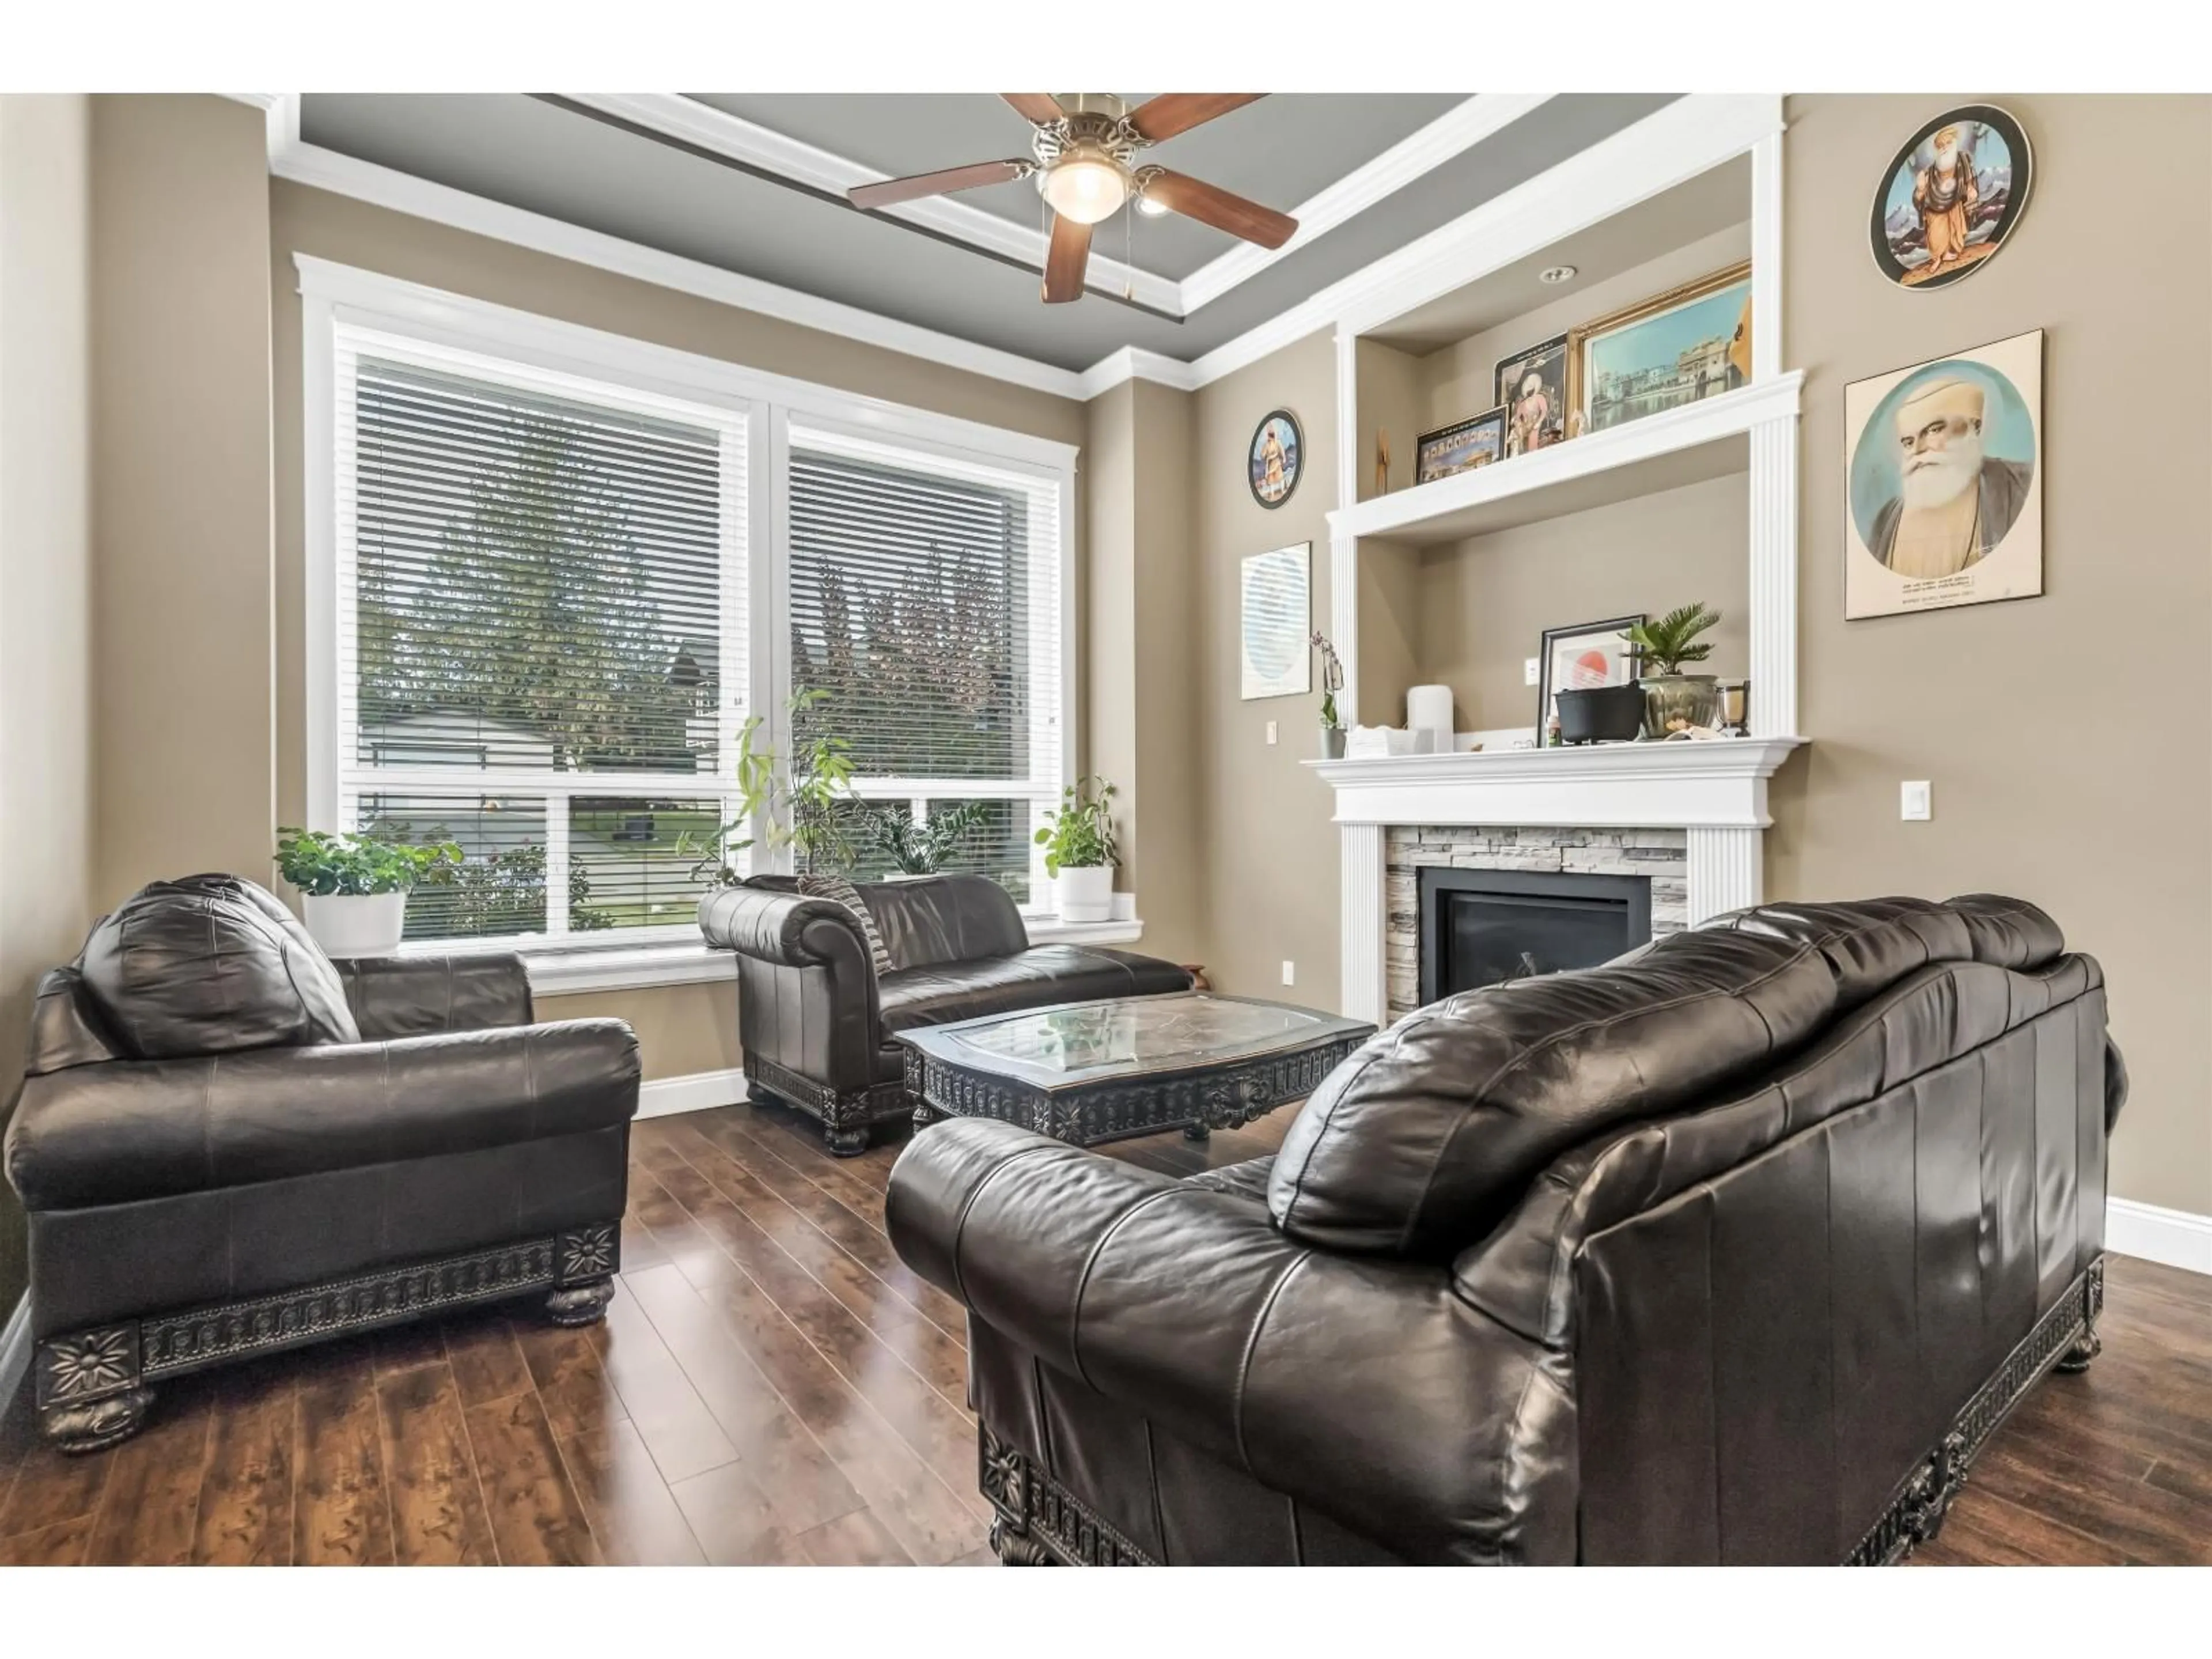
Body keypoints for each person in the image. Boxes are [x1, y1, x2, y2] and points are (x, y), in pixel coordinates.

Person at [1867, 377, 2031, 579]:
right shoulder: (1886, 520)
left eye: (1933, 430)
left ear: (1975, 426)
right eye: (1909, 442)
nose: (1918, 450)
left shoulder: (2019, 484)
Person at [1912, 124, 1979, 271]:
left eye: (1948, 143)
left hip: (1956, 203)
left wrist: (1970, 187)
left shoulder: (1963, 159)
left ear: (1955, 143)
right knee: (1935, 238)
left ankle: (1952, 250)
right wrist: (1921, 189)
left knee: (1956, 227)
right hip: (1934, 208)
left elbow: (1969, 177)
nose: (1944, 148)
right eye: (1940, 145)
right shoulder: (1930, 172)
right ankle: (1937, 257)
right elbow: (1919, 199)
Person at [1508, 370, 1551, 457]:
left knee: (1533, 436)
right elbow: (1517, 417)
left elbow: (1544, 410)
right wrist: (1514, 421)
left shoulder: (1539, 398)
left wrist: (1539, 422)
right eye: (1528, 385)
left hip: (1536, 425)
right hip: (1525, 428)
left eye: (1532, 386)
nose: (1529, 389)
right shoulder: (1522, 404)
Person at [1257, 423, 1286, 499]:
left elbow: (1282, 451)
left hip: (1277, 462)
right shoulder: (1266, 445)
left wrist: (1284, 458)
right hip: (1270, 464)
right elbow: (1262, 455)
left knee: (1280, 477)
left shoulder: (1278, 442)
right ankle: (1272, 494)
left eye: (1272, 433)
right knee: (1271, 480)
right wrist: (1266, 455)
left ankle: (1283, 491)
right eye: (1269, 434)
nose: (1271, 435)